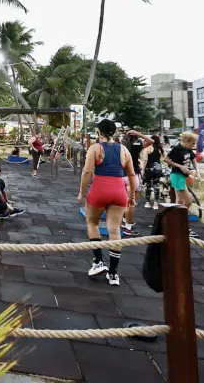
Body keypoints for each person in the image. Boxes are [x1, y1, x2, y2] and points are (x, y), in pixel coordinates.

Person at [77, 119, 136, 286]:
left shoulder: (95, 148)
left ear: (99, 132)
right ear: (114, 132)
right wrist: (131, 195)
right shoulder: (124, 149)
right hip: (119, 191)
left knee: (92, 223)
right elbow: (131, 175)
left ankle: (98, 262)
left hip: (100, 189)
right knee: (115, 230)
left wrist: (81, 192)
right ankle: (114, 274)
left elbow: (87, 171)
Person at [164, 132, 200, 238]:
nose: (193, 146)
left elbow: (193, 159)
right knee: (188, 200)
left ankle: (175, 223)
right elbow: (166, 159)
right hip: (177, 175)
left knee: (179, 201)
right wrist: (179, 166)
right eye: (192, 144)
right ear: (186, 141)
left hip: (183, 176)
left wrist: (197, 171)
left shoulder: (188, 149)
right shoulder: (177, 149)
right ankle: (181, 223)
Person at [121, 129, 153, 237]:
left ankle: (124, 220)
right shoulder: (136, 147)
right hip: (133, 176)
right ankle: (128, 227)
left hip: (121, 175)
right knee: (131, 203)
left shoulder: (121, 147)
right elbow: (150, 141)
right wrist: (139, 133)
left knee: (124, 201)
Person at [140, 134, 167, 209]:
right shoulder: (160, 149)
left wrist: (142, 170)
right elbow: (165, 157)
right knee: (156, 186)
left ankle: (148, 203)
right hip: (158, 169)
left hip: (149, 169)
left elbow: (145, 160)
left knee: (148, 186)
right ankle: (155, 204)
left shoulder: (147, 148)